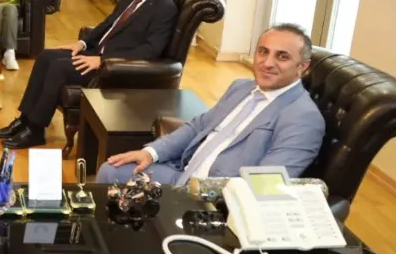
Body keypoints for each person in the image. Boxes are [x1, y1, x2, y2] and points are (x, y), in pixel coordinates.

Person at [0, 0, 177, 149]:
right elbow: (107, 25)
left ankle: (35, 130)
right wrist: (83, 43)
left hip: (116, 68)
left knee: (59, 68)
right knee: (46, 56)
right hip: (96, 52)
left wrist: (103, 60)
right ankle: (25, 120)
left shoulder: (164, 8)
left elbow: (150, 51)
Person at [98, 24, 325, 185]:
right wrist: (150, 152)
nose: (267, 63)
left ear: (303, 67)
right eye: (263, 52)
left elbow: (264, 185)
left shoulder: (303, 118)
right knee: (111, 171)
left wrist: (200, 193)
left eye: (282, 57)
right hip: (181, 174)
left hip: (213, 198)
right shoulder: (241, 87)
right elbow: (198, 126)